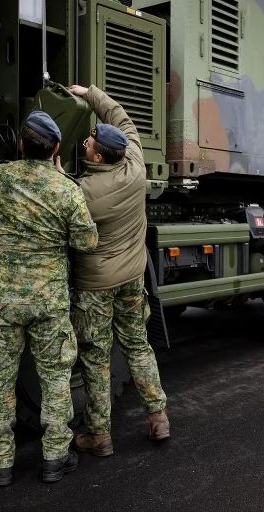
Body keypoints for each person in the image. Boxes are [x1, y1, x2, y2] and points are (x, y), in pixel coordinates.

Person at [0, 110, 99, 486]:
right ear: (57, 149)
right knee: (56, 378)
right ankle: (54, 459)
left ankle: (0, 465)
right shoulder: (67, 190)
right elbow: (86, 242)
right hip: (48, 301)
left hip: (3, 301)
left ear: (19, 144)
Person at [67, 83, 169, 457]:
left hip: (95, 286)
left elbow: (65, 215)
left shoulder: (84, 192)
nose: (84, 145)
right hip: (132, 277)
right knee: (138, 346)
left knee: (95, 356)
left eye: (90, 145)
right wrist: (92, 93)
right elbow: (121, 117)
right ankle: (159, 417)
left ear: (100, 158)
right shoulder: (135, 167)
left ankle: (99, 435)